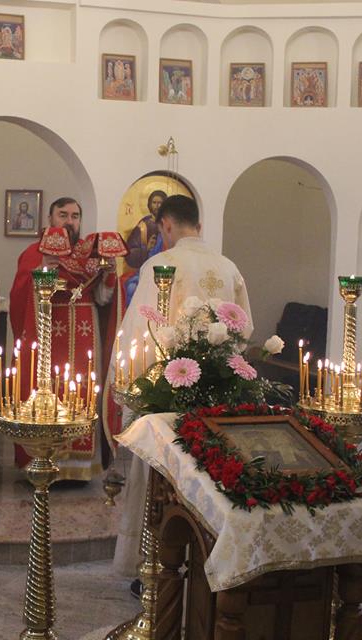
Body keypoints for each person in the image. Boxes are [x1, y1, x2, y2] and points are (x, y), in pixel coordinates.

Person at [110, 194, 253, 588]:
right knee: (207, 479)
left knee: (158, 482)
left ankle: (154, 570)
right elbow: (244, 331)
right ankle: (203, 565)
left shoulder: (160, 264)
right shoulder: (228, 268)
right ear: (200, 225)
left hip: (167, 393)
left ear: (166, 226)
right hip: (216, 398)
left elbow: (139, 331)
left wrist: (129, 388)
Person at [9, 197, 115, 481]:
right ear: (50, 219)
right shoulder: (34, 253)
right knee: (49, 391)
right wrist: (44, 268)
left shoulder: (90, 257)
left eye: (75, 216)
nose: (69, 221)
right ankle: (44, 460)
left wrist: (108, 274)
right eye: (63, 215)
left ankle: (79, 469)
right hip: (47, 334)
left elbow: (104, 299)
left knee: (83, 392)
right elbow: (20, 295)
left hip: (85, 332)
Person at [124, 190, 167, 272]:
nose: (157, 206)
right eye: (154, 202)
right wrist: (146, 249)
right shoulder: (143, 226)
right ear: (150, 204)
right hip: (146, 269)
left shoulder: (169, 224)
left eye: (160, 203)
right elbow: (130, 253)